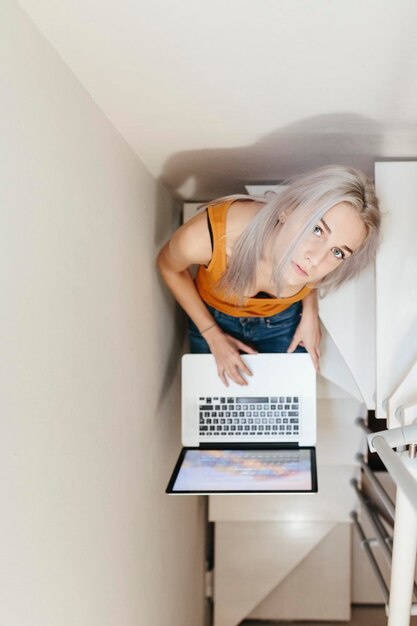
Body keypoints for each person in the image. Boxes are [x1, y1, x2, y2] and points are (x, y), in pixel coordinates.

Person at [157, 165, 381, 386]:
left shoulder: (307, 257)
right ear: (287, 210)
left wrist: (310, 312)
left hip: (284, 320)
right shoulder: (205, 239)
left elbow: (314, 269)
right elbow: (168, 267)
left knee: (283, 413)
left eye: (337, 251)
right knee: (217, 412)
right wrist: (212, 335)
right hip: (213, 317)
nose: (316, 260)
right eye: (317, 229)